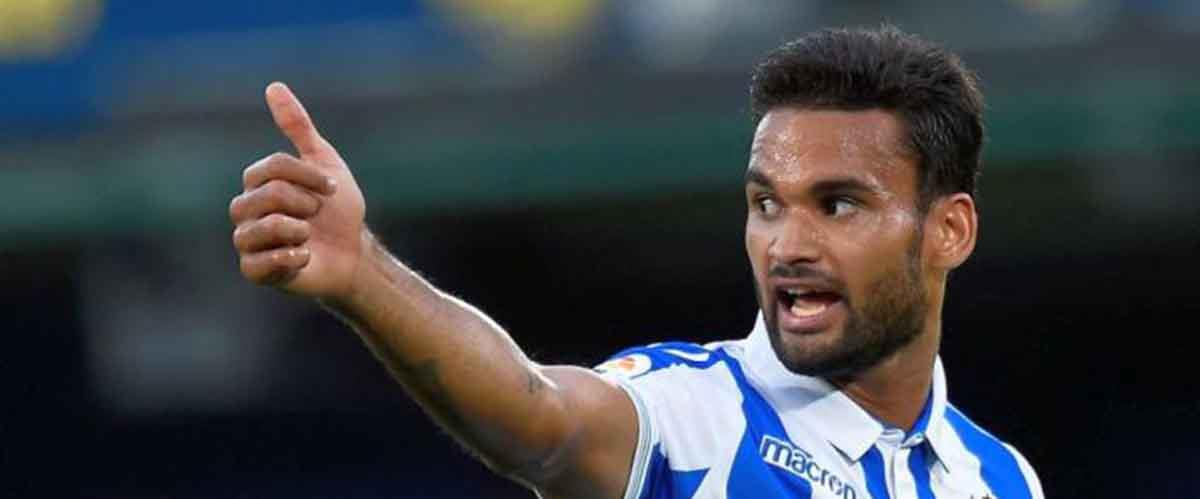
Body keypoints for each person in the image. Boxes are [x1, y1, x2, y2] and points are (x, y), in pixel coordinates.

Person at [228, 25, 1044, 499]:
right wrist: (363, 274)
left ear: (949, 230)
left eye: (837, 205)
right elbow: (543, 420)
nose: (788, 244)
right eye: (766, 204)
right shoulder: (697, 413)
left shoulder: (1001, 480)